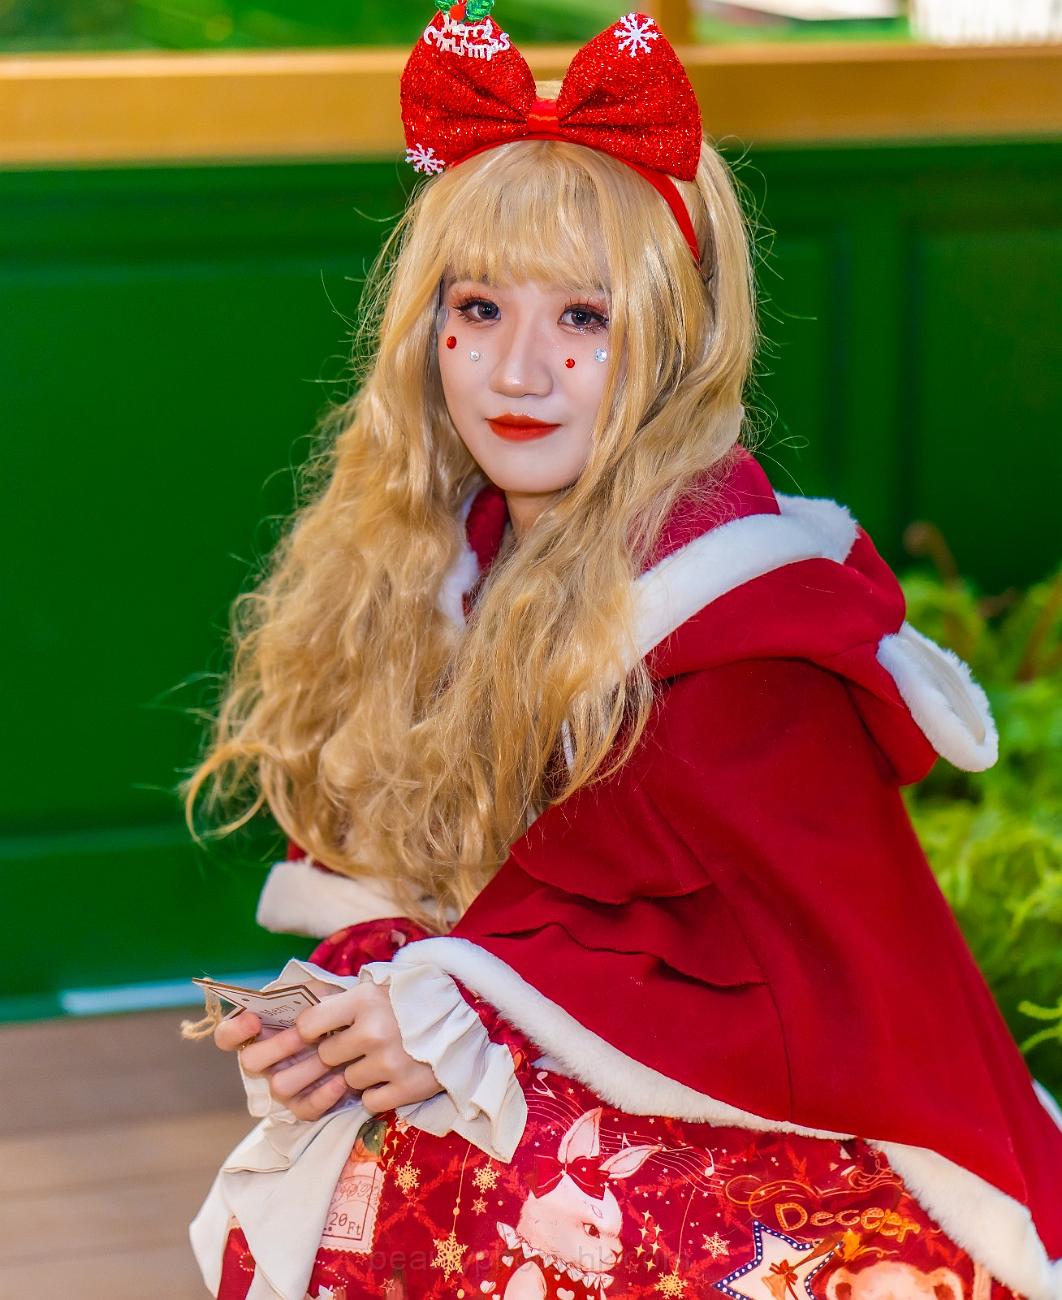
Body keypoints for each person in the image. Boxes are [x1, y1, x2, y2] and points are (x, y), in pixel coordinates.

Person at [182, 6, 1062, 1299]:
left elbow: (783, 984)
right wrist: (359, 1014)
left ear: (674, 340)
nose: (516, 373)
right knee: (377, 1133)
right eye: (479, 308)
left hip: (836, 1159)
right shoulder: (444, 560)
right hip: (607, 1079)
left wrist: (460, 1007)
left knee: (491, 1187)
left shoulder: (741, 627)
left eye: (583, 319)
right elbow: (475, 905)